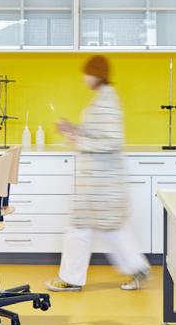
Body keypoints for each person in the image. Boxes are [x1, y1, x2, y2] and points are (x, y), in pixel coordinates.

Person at [46, 55, 150, 293]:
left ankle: (72, 278)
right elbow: (97, 132)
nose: (85, 78)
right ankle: (137, 268)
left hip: (101, 181)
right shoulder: (103, 99)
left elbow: (113, 140)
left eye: (87, 73)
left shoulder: (107, 102)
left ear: (97, 74)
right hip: (97, 181)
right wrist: (73, 129)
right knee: (108, 226)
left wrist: (79, 140)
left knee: (84, 226)